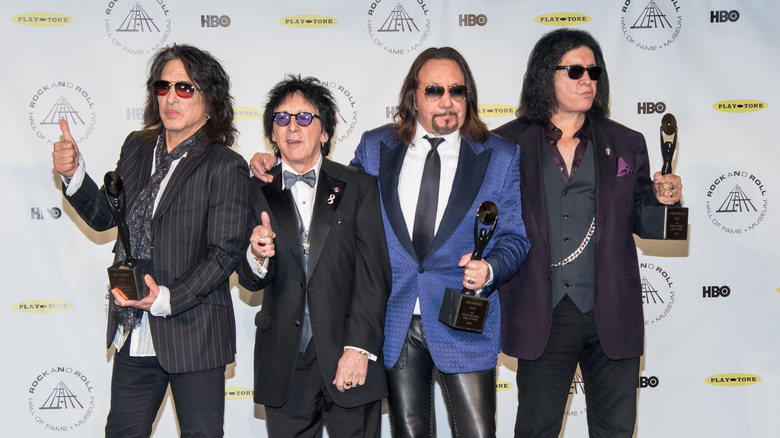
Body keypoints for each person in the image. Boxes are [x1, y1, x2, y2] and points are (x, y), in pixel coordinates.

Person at [251, 47, 530, 437]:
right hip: (394, 319)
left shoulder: (499, 155)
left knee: (477, 432)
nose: (447, 101)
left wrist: (491, 268)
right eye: (434, 90)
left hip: (464, 319)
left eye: (458, 91)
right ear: (412, 96)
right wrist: (273, 165)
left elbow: (515, 236)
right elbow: (333, 206)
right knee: (409, 432)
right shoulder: (375, 147)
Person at [51, 44, 251, 437]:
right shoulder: (138, 148)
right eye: (163, 87)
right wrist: (75, 173)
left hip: (193, 332)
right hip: (134, 328)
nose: (171, 97)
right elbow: (108, 217)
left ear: (209, 100)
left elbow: (224, 253)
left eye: (185, 88)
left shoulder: (224, 164)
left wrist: (166, 298)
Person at [494, 28, 683, 437]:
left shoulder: (626, 142)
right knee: (535, 429)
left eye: (593, 71)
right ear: (546, 76)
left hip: (612, 310)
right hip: (543, 310)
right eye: (575, 70)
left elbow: (645, 222)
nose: (587, 80)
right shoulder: (505, 144)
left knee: (615, 430)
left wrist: (665, 204)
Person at [236, 75, 391, 437]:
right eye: (282, 118)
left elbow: (374, 276)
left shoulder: (359, 187)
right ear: (272, 133)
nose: (293, 126)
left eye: (305, 117)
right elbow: (246, 278)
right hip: (284, 362)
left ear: (325, 132)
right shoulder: (254, 190)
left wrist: (359, 349)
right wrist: (256, 256)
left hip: (348, 354)